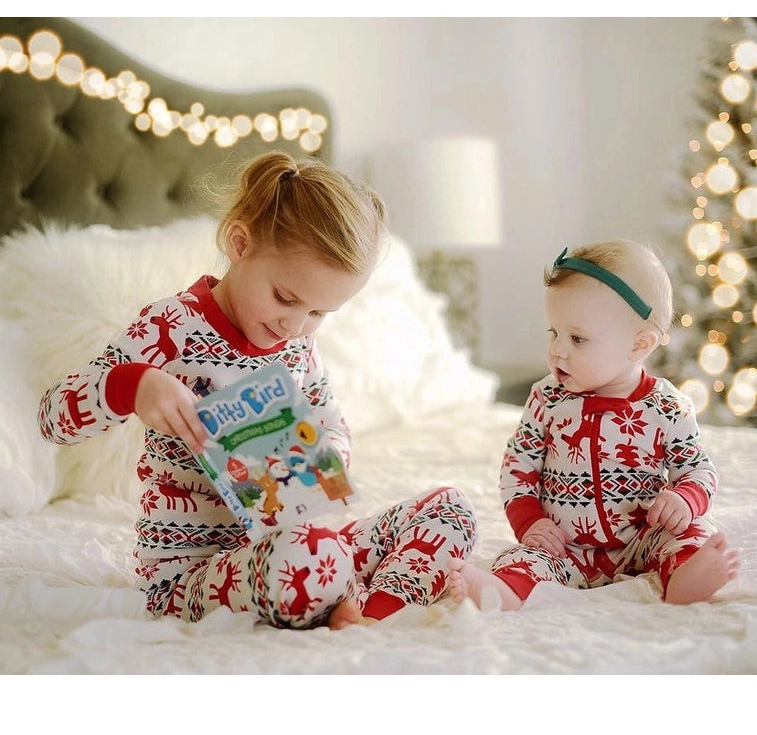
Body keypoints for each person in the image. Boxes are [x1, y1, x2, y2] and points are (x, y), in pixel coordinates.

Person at [39, 150, 477, 630]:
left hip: (300, 542)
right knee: (306, 556)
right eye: (286, 298)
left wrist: (320, 460)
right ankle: (340, 593)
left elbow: (331, 422)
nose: (295, 325)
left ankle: (370, 610)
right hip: (193, 576)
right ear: (239, 243)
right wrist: (133, 386)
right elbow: (53, 418)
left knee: (451, 509)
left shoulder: (298, 343)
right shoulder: (170, 328)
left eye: (318, 313)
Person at [448, 238, 738, 610]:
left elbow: (697, 469)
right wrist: (529, 522)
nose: (557, 350)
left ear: (639, 346)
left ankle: (685, 578)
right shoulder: (547, 399)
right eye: (553, 332)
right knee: (523, 559)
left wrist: (684, 499)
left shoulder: (666, 406)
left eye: (577, 338)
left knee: (693, 532)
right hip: (565, 545)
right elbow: (518, 467)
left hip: (644, 538)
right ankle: (499, 592)